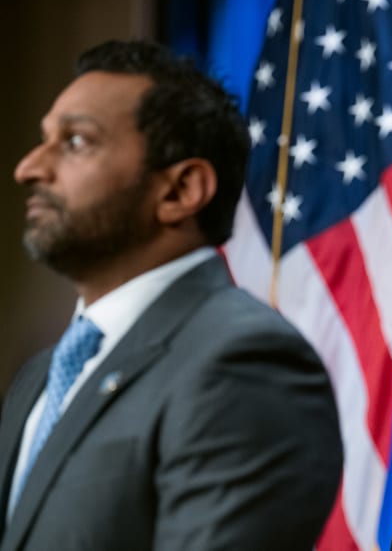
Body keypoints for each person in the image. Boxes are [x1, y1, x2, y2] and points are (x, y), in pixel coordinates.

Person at [0, 40, 342, 550]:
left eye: (74, 142)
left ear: (180, 191)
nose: (28, 168)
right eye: (43, 140)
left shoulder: (245, 363)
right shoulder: (40, 376)